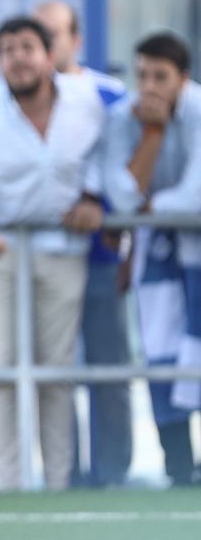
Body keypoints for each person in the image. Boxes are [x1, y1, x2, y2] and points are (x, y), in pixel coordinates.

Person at [0, 17, 107, 491]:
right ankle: (11, 484)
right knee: (2, 369)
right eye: (7, 49)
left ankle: (58, 484)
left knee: (56, 372)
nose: (17, 57)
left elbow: (102, 160)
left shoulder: (86, 102)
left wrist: (92, 199)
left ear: (50, 56)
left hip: (61, 250)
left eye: (27, 47)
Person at [34, 0, 134, 486]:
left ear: (75, 40)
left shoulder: (110, 96)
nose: (43, 44)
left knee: (108, 368)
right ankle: (63, 472)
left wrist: (115, 224)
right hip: (43, 257)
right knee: (54, 374)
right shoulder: (17, 98)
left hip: (100, 256)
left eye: (52, 34)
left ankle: (112, 472)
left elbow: (126, 170)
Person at [102, 32, 201, 486]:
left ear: (183, 78)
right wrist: (153, 135)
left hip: (189, 247)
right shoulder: (124, 118)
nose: (149, 87)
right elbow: (121, 196)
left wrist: (147, 209)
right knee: (160, 353)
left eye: (160, 76)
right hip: (156, 255)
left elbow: (195, 197)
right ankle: (178, 466)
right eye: (142, 75)